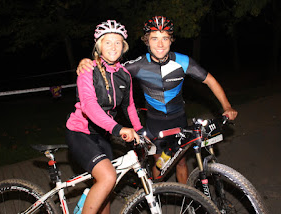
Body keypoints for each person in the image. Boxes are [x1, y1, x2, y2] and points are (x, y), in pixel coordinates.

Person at [76, 16, 238, 183]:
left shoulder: (183, 61)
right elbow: (108, 67)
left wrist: (227, 106)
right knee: (160, 164)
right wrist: (86, 62)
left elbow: (210, 80)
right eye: (155, 38)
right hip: (155, 123)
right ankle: (158, 196)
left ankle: (188, 200)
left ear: (171, 41)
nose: (160, 44)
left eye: (165, 38)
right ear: (147, 41)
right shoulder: (137, 65)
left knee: (181, 161)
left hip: (179, 119)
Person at [66, 20, 143, 214]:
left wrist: (141, 131)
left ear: (124, 47)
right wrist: (118, 128)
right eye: (107, 42)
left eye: (118, 42)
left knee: (107, 190)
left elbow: (130, 106)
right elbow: (90, 106)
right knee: (108, 177)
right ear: (99, 46)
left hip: (103, 135)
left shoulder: (124, 75)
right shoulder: (87, 70)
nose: (113, 47)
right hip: (81, 132)